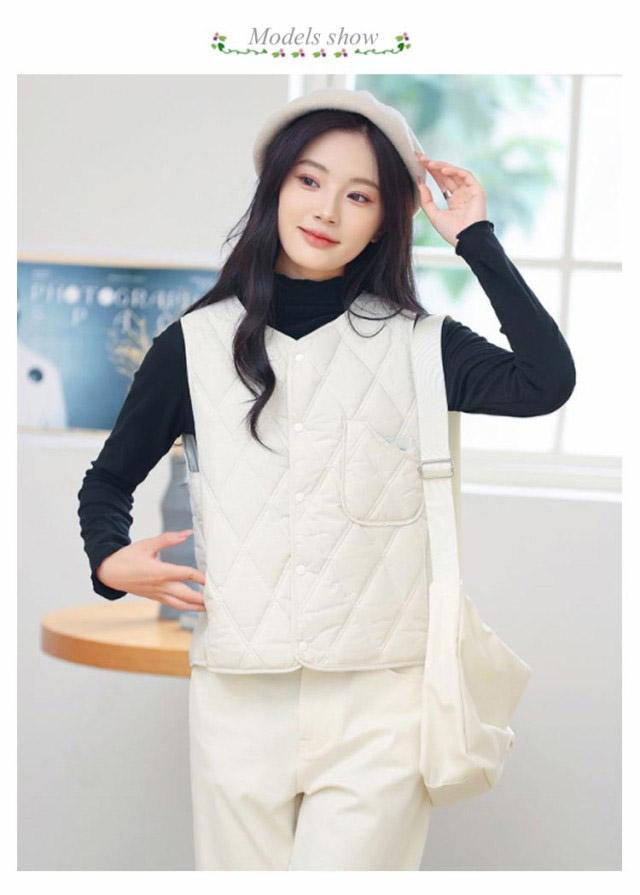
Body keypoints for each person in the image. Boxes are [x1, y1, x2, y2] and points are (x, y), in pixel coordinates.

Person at [77, 89, 576, 870]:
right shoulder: (194, 345)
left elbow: (546, 381)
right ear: (275, 186)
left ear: (387, 218)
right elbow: (108, 481)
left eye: (360, 195)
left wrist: (474, 238)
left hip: (382, 703)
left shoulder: (422, 345)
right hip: (238, 697)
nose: (327, 210)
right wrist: (109, 558)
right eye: (309, 180)